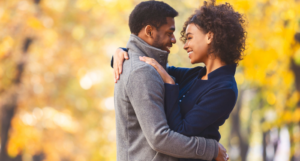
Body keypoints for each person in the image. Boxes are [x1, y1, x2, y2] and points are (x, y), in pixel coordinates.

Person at [113, 1, 246, 161]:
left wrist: (170, 84)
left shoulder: (224, 89)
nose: (184, 45)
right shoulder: (195, 75)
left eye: (189, 38)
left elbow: (181, 131)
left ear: (210, 36)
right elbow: (148, 67)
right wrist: (121, 53)